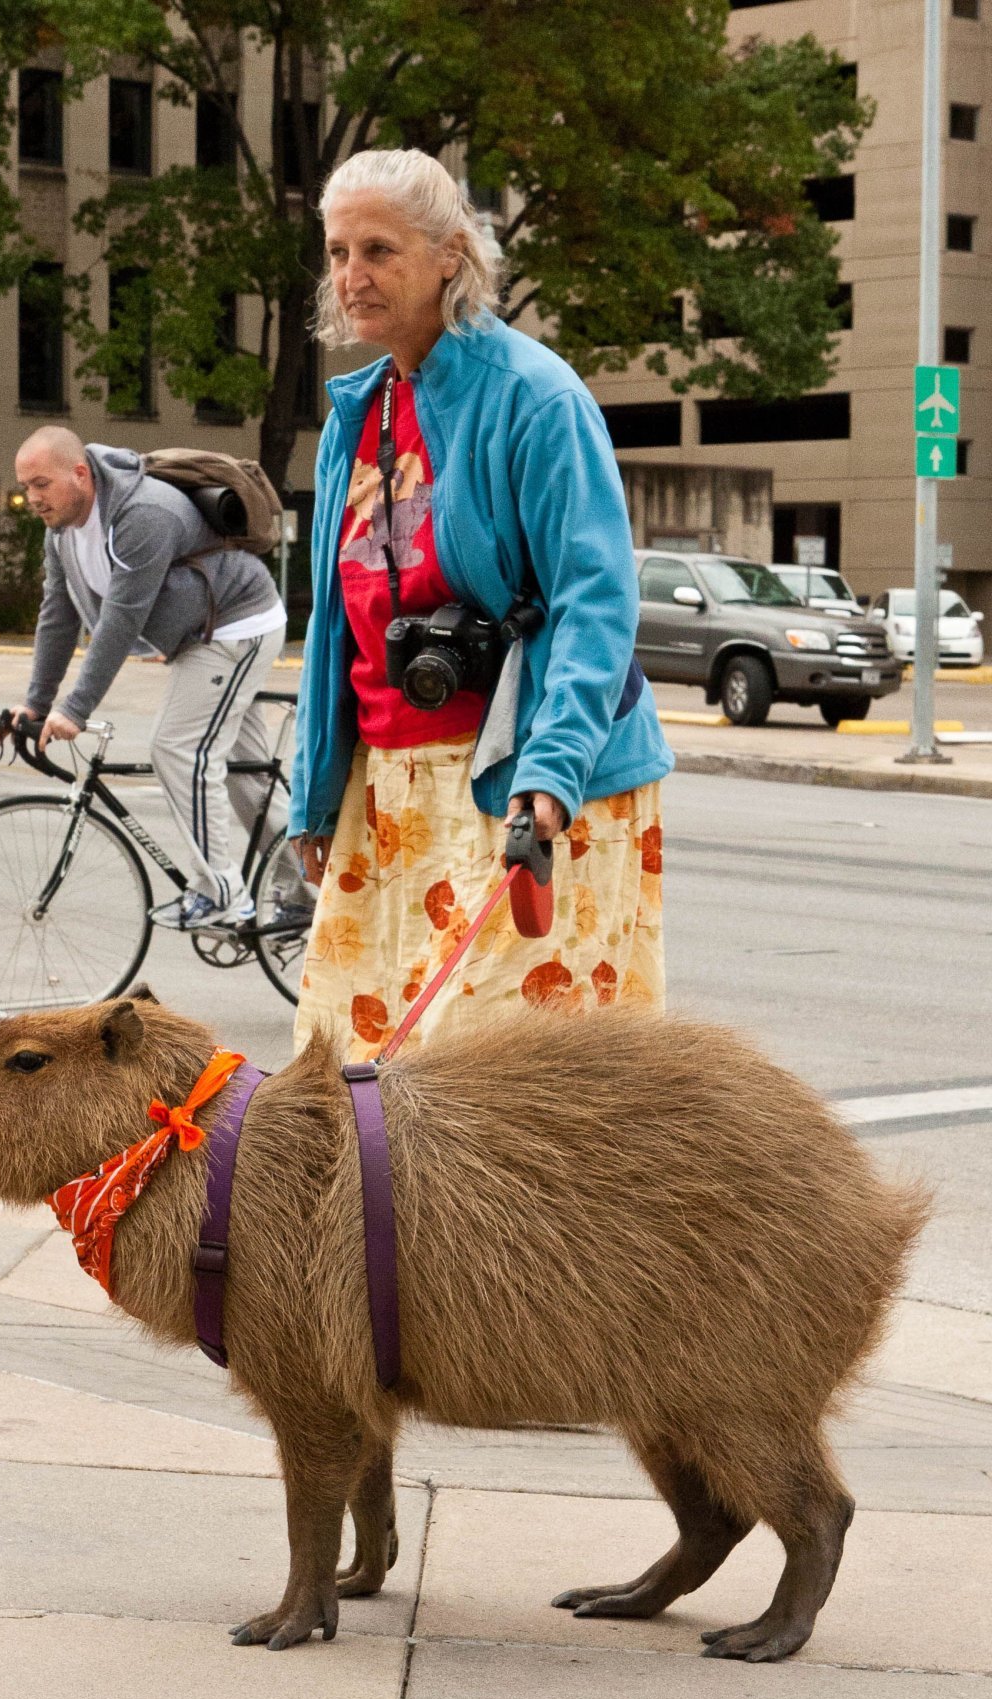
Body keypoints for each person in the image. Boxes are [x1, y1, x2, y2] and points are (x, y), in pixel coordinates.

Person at [289, 149, 675, 1061]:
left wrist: (556, 768)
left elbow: (595, 598)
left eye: (379, 249)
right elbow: (331, 622)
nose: (353, 275)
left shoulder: (534, 397)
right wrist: (314, 793)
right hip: (387, 789)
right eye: (339, 251)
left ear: (450, 256)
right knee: (356, 1070)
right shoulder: (359, 413)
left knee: (496, 1088)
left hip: (520, 782)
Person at [12, 427, 288, 930]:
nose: (32, 497)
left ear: (79, 473)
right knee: (246, 776)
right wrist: (35, 702)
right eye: (26, 486)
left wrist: (75, 708)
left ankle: (223, 893)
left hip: (235, 627)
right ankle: (308, 891)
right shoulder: (63, 529)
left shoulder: (143, 514)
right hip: (199, 637)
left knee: (179, 749)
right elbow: (58, 613)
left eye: (41, 484)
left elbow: (122, 619)